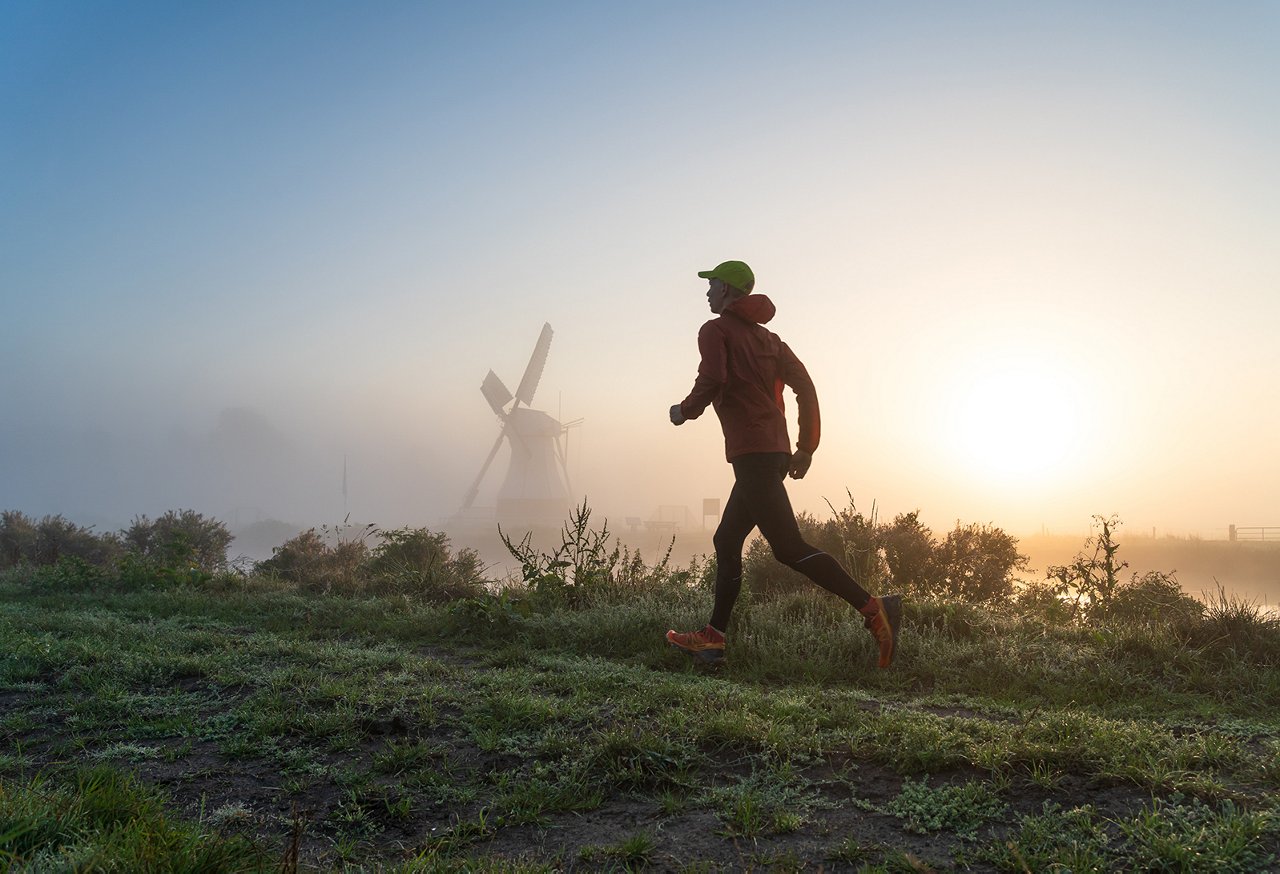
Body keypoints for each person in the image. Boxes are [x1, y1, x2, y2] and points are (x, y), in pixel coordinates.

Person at [666, 260, 902, 668]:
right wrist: (806, 446)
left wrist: (684, 411)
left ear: (727, 291)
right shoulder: (772, 341)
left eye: (712, 284)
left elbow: (713, 377)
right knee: (726, 540)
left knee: (789, 548)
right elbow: (805, 386)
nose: (706, 292)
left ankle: (874, 608)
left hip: (753, 455)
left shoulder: (714, 330)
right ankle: (713, 639)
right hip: (772, 454)